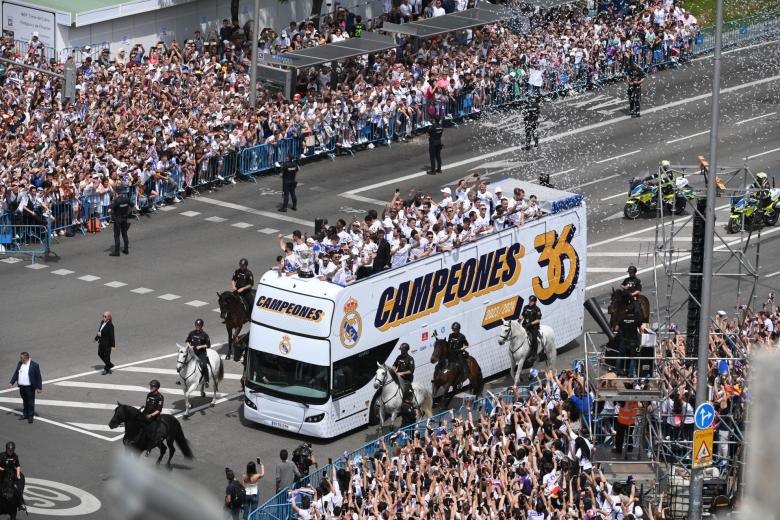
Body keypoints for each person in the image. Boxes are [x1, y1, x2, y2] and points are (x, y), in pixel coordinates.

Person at [7, 352, 42, 423]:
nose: (20, 359)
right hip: (22, 387)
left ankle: (30, 416)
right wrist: (11, 382)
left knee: (30, 402)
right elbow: (16, 373)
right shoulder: (20, 364)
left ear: (26, 358)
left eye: (21, 358)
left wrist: (39, 387)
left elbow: (38, 377)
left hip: (29, 387)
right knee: (25, 401)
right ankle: (25, 414)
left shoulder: (34, 365)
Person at [615, 301, 641, 377]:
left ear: (627, 310)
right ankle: (630, 374)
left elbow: (616, 329)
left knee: (620, 355)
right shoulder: (636, 318)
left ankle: (617, 371)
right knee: (633, 358)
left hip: (624, 340)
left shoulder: (622, 318)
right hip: (633, 341)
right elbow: (641, 329)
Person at [137, 379, 164, 446]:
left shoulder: (160, 397)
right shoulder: (149, 394)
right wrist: (144, 405)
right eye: (150, 386)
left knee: (151, 429)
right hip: (146, 412)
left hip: (154, 416)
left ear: (157, 387)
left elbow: (158, 410)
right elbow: (148, 403)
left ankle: (153, 441)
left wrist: (151, 415)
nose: (150, 388)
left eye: (152, 386)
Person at [186, 319, 212, 387]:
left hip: (201, 353)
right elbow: (187, 341)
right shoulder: (192, 333)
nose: (197, 326)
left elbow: (208, 345)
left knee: (204, 365)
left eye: (199, 325)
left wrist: (201, 346)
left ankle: (206, 381)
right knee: (184, 362)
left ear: (202, 326)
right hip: (192, 352)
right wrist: (189, 345)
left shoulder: (205, 335)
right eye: (196, 325)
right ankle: (182, 379)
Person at [0, 441, 24, 508]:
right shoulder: (2, 455)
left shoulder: (15, 456)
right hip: (2, 473)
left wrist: (18, 474)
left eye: (12, 450)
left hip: (11, 473)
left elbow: (18, 465)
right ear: (6, 449)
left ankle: (20, 503)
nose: (10, 451)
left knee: (18, 487)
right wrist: (2, 469)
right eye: (9, 450)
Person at [108, 188, 132, 256]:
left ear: (117, 193)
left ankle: (117, 252)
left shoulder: (116, 201)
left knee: (117, 235)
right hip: (125, 218)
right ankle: (126, 249)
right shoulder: (126, 199)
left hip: (117, 219)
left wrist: (111, 215)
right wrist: (128, 212)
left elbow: (109, 210)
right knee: (124, 234)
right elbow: (132, 206)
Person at [521, 295, 542, 365]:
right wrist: (518, 320)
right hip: (525, 325)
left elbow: (538, 320)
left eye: (531, 301)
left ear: (535, 302)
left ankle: (534, 355)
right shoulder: (525, 307)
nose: (530, 302)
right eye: (529, 301)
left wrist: (530, 324)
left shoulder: (537, 309)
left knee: (534, 339)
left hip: (533, 327)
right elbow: (523, 315)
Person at [447, 322, 469, 386]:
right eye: (453, 329)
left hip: (459, 354)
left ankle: (460, 381)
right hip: (451, 353)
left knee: (460, 366)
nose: (453, 331)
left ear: (458, 329)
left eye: (455, 329)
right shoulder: (451, 335)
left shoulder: (462, 336)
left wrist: (462, 349)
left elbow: (466, 345)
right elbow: (448, 343)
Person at [96, 310, 116, 375]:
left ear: (108, 317)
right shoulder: (102, 322)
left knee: (107, 356)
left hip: (107, 344)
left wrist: (113, 346)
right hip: (101, 342)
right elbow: (100, 331)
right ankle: (109, 364)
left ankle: (106, 369)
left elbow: (112, 336)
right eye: (103, 316)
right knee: (100, 353)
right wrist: (96, 338)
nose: (103, 317)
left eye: (105, 316)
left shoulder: (110, 325)